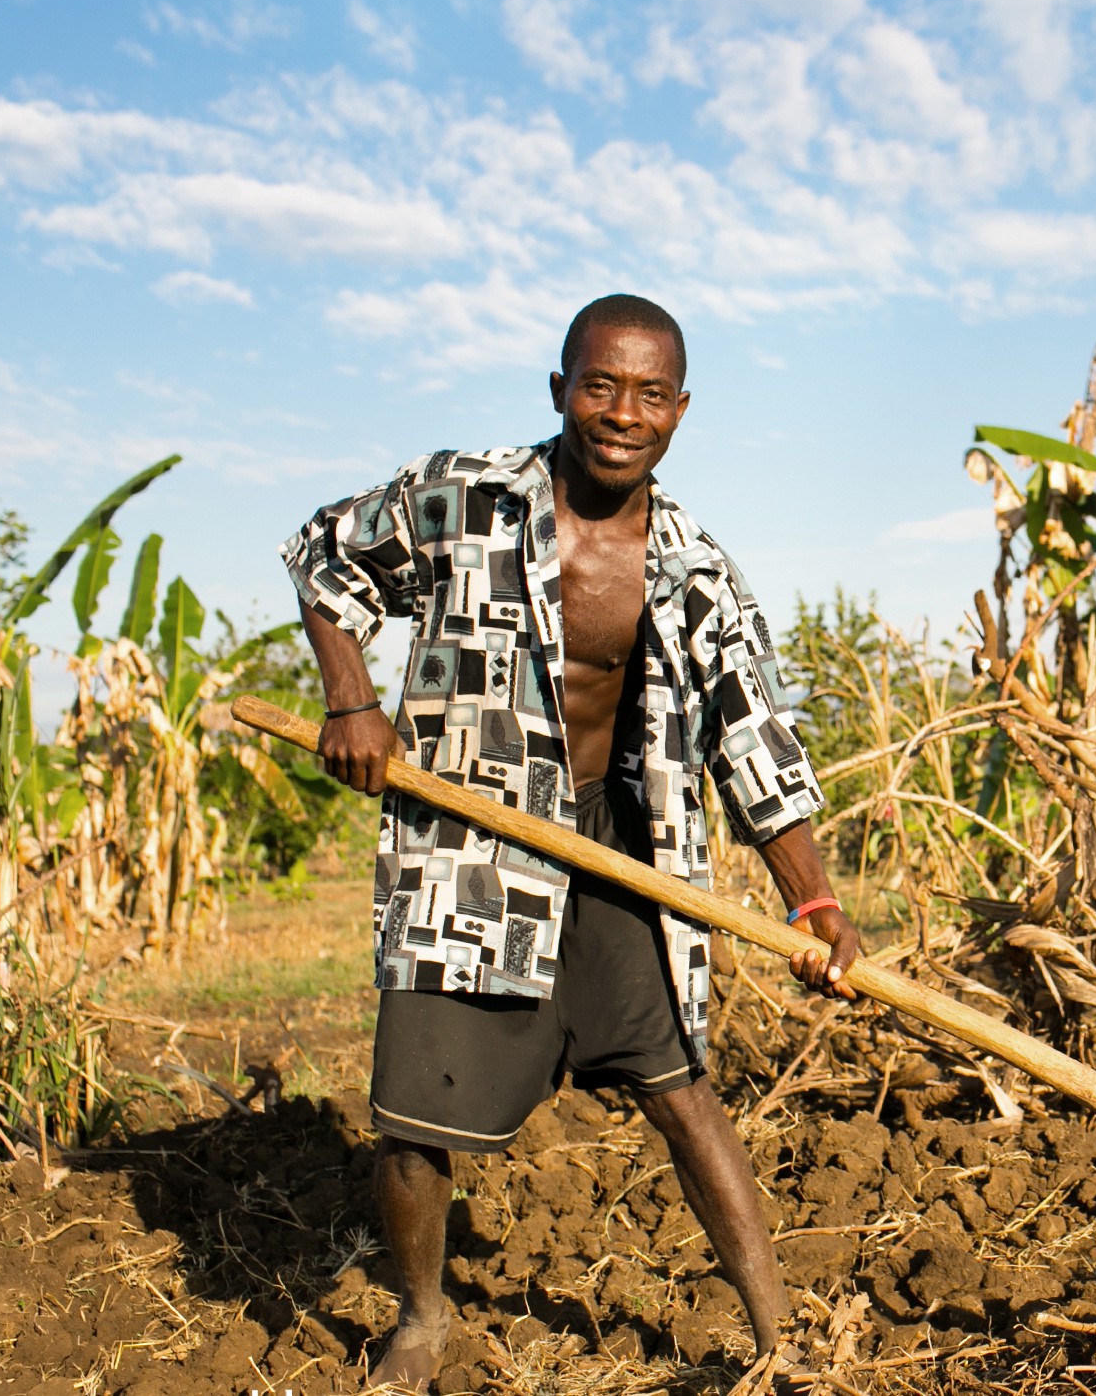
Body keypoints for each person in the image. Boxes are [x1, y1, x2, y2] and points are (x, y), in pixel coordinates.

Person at [282, 293, 860, 1392]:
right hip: (472, 836)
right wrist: (352, 696)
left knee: (680, 1086)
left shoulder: (697, 569)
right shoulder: (465, 498)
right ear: (559, 390)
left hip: (620, 841)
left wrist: (815, 903)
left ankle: (781, 1339)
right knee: (415, 1107)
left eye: (649, 393)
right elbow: (324, 556)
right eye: (600, 385)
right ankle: (422, 1315)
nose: (621, 413)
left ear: (681, 411)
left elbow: (756, 740)